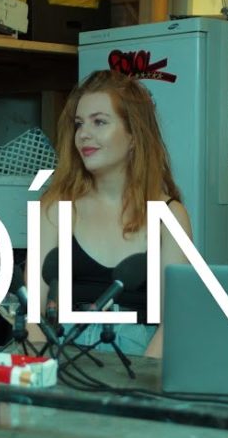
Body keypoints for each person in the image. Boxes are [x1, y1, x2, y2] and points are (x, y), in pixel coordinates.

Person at [31, 69, 192, 358]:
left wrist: (142, 378)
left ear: (133, 135)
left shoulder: (170, 215)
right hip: (64, 355)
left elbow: (175, 325)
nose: (84, 134)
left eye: (99, 122)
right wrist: (46, 372)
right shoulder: (54, 208)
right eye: (79, 124)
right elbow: (33, 316)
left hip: (140, 359)